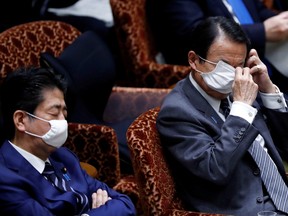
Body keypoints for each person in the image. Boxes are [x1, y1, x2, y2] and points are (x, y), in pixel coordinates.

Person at [156, 16, 288, 216]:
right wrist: (242, 110)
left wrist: (267, 89)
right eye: (222, 65)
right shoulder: (177, 113)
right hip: (248, 210)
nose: (232, 75)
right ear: (194, 60)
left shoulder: (245, 84)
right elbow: (214, 170)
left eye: (238, 65)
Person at [0, 66, 136, 215]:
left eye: (64, 114)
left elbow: (125, 205)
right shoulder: (5, 178)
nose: (63, 121)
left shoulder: (63, 156)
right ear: (21, 120)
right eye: (54, 112)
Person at [146, 0, 288, 93]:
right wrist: (262, 31)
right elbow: (193, 33)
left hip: (264, 64)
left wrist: (282, 21)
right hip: (222, 77)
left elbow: (258, 11)